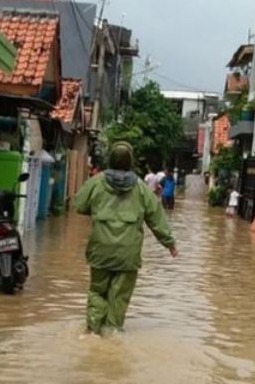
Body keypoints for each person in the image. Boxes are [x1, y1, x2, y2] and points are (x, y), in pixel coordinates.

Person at [75, 142, 178, 335]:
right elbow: (156, 217)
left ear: (110, 159)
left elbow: (79, 204)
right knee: (119, 296)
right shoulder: (140, 188)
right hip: (127, 254)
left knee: (97, 291)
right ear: (130, 161)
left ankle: (93, 330)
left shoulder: (96, 182)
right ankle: (112, 333)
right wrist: (169, 243)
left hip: (100, 251)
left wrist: (98, 209)